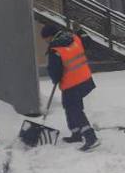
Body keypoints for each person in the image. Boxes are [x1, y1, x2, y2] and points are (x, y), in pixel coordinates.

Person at [41, 23, 101, 152]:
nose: (45, 41)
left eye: (45, 38)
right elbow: (87, 44)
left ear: (50, 36)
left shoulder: (55, 50)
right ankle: (76, 133)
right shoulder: (74, 38)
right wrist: (81, 31)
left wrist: (55, 78)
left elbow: (55, 73)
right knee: (69, 106)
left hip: (72, 83)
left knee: (75, 110)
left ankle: (91, 138)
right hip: (85, 79)